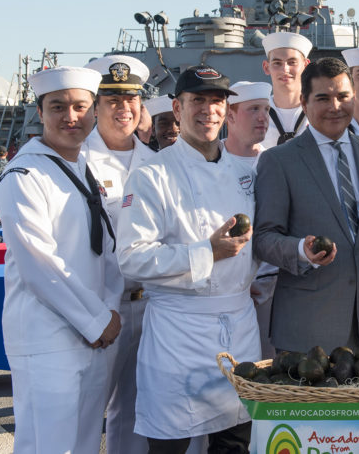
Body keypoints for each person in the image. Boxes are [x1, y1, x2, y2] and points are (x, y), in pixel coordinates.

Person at [116, 65, 259, 454]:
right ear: (177, 108)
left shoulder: (245, 174)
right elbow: (130, 258)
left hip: (239, 329)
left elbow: (257, 244)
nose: (208, 110)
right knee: (170, 445)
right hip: (179, 333)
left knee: (234, 444)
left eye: (217, 101)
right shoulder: (152, 176)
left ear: (228, 111)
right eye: (198, 100)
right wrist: (205, 253)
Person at [0, 66, 123, 454]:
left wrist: (109, 312)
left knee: (82, 445)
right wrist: (98, 321)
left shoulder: (81, 169)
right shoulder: (24, 175)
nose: (71, 117)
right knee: (48, 446)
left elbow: (107, 254)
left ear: (94, 111)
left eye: (81, 107)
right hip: (47, 337)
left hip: (96, 335)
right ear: (40, 113)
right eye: (58, 107)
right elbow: (40, 266)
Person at [253, 57, 359, 352]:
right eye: (323, 98)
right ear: (304, 103)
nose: (335, 107)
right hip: (306, 329)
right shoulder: (279, 161)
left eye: (343, 96)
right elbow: (264, 238)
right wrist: (299, 251)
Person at [82, 54, 155, 454]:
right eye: (112, 100)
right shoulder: (77, 163)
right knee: (87, 411)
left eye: (130, 99)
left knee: (135, 409)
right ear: (96, 106)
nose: (123, 109)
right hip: (101, 306)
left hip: (150, 306)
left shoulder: (157, 164)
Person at [222, 81, 277, 359]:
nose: (262, 117)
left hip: (270, 289)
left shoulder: (278, 163)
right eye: (253, 109)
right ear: (229, 115)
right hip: (222, 288)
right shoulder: (209, 163)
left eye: (266, 109)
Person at [261, 31, 313, 147]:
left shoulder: (319, 112)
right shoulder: (256, 115)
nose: (285, 69)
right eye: (277, 63)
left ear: (306, 66)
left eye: (292, 62)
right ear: (266, 67)